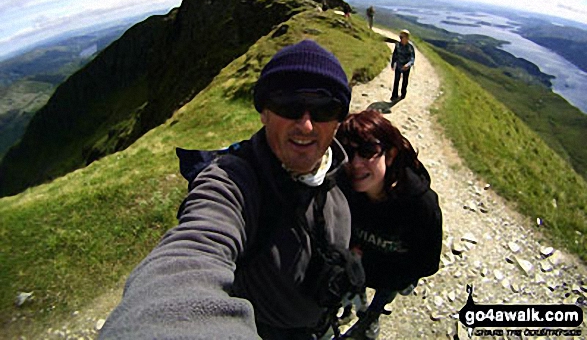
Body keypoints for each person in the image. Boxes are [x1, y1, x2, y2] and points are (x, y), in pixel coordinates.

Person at [99, 40, 360, 340]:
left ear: (339, 120)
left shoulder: (346, 169)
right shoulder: (234, 180)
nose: (306, 125)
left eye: (324, 108)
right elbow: (194, 249)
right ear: (263, 113)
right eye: (288, 105)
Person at [335, 110, 443, 340]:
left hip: (393, 275)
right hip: (360, 267)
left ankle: (370, 319)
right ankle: (356, 311)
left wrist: (400, 277)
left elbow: (427, 261)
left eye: (367, 152)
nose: (355, 163)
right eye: (348, 151)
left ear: (391, 154)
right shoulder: (341, 187)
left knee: (382, 298)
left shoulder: (420, 204)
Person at [390, 29, 415, 101]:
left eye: (402, 37)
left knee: (405, 81)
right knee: (396, 80)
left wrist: (408, 65)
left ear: (407, 38)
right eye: (400, 37)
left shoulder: (410, 46)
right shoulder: (397, 45)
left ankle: (403, 94)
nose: (400, 38)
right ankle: (394, 95)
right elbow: (395, 54)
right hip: (399, 64)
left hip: (406, 67)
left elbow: (412, 58)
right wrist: (392, 63)